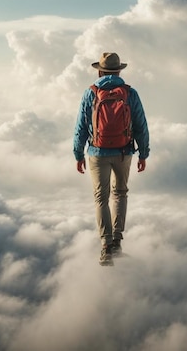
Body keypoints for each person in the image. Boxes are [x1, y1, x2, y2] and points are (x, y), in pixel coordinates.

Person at [73, 52, 150, 266]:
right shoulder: (129, 93)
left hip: (97, 153)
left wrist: (78, 154)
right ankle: (117, 241)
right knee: (121, 194)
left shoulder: (91, 93)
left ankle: (106, 247)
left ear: (99, 71)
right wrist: (143, 153)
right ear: (119, 71)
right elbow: (141, 125)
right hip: (124, 152)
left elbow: (80, 126)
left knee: (101, 197)